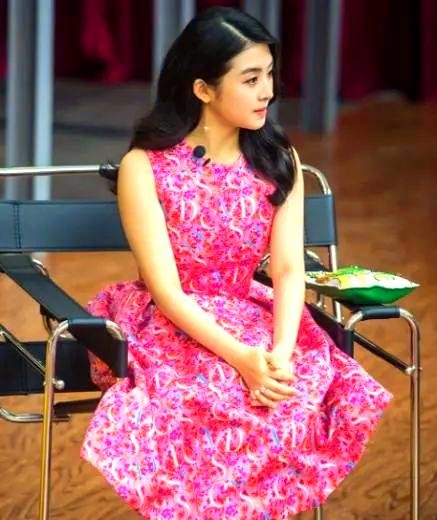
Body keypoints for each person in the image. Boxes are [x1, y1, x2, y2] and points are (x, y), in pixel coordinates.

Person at [81, 6, 392, 519]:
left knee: (294, 391)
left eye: (269, 74)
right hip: (173, 322)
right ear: (203, 89)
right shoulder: (145, 166)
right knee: (221, 397)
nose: (267, 91)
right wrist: (244, 360)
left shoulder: (278, 159)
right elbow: (166, 290)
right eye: (250, 79)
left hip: (252, 312)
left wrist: (280, 353)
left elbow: (288, 269)